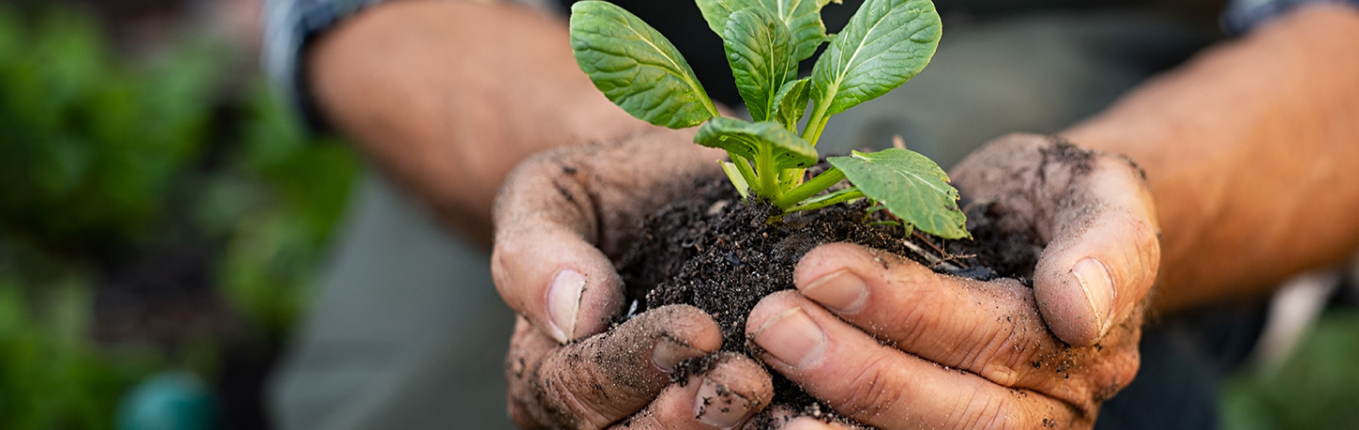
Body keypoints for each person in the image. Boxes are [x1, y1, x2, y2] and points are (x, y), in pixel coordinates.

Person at [263, 0, 1359, 428]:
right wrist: (584, 158)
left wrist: (1125, 209)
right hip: (528, 52)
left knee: (987, 332)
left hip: (1105, 49)